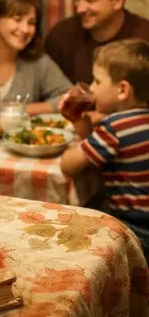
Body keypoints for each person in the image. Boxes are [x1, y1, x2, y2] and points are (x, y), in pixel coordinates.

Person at [60, 39, 149, 262]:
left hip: (134, 231)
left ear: (122, 90)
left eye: (98, 81)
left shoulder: (114, 128)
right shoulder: (136, 122)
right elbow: (95, 146)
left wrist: (69, 149)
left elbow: (69, 165)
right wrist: (80, 122)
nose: (92, 88)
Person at [45, 0, 149, 85]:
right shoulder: (62, 35)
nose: (80, 9)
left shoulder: (144, 36)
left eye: (90, 0)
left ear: (117, 1)